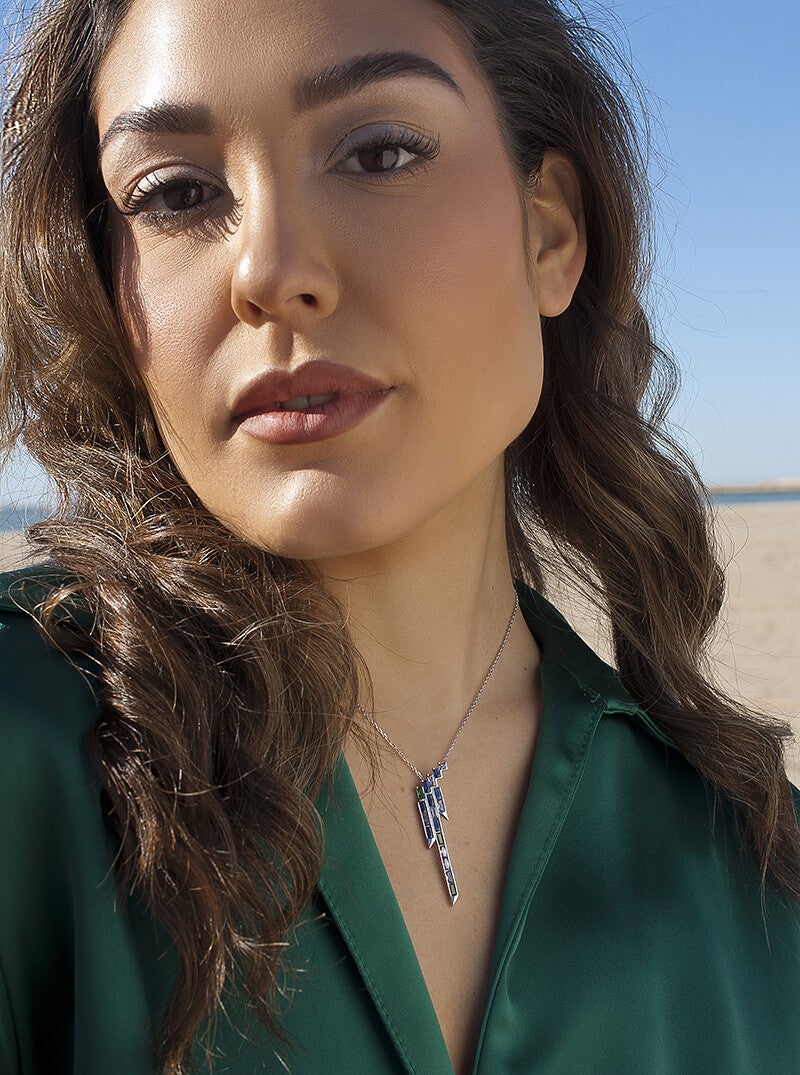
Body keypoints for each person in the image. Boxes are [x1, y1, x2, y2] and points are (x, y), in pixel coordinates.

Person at [1, 0, 799, 1071]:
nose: (268, 269)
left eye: (377, 153)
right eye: (176, 194)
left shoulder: (752, 873)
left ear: (549, 233)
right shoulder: (28, 756)